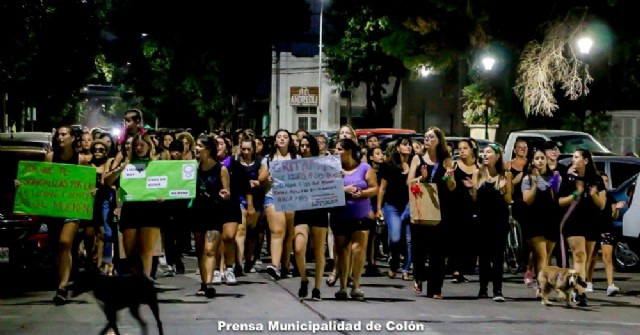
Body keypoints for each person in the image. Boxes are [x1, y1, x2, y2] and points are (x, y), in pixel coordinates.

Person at [44, 125, 90, 305]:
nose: (60, 138)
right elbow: (42, 181)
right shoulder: (50, 157)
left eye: (64, 135)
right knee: (58, 247)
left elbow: (85, 185)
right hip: (54, 208)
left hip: (72, 209)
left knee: (65, 242)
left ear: (72, 138)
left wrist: (90, 192)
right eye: (58, 135)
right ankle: (61, 279)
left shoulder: (81, 160)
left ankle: (63, 286)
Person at [557, 148, 607, 307]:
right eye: (573, 156)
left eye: (577, 157)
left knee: (585, 259)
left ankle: (576, 286)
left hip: (591, 221)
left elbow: (602, 205)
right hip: (573, 220)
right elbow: (560, 201)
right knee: (579, 255)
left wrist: (592, 194)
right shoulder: (568, 177)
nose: (573, 159)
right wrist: (575, 194)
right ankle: (580, 292)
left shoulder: (596, 179)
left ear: (586, 160)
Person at [469, 143, 513, 302]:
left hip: (499, 220)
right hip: (482, 220)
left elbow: (508, 200)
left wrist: (502, 189)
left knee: (497, 256)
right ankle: (482, 288)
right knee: (484, 256)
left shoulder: (505, 175)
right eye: (483, 152)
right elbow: (474, 199)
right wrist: (471, 189)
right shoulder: (477, 174)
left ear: (497, 156)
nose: (485, 155)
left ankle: (498, 289)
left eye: (488, 152)